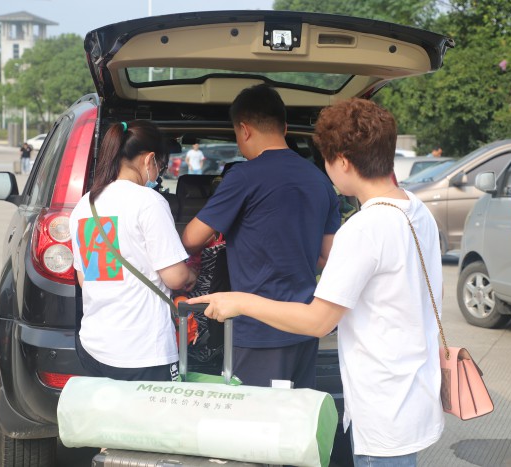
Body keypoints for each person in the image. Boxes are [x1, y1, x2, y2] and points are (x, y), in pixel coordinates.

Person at [189, 98, 444, 466]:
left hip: (383, 405)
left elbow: (319, 321)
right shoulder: (415, 209)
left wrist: (239, 301)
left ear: (342, 161)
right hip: (414, 389)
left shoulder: (364, 229)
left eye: (326, 159)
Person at [181, 83, 341, 389]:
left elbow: (191, 239)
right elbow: (327, 257)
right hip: (306, 324)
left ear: (244, 130)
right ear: (284, 127)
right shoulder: (321, 181)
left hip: (256, 331)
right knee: (298, 413)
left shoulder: (243, 177)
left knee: (257, 416)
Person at [68, 120, 196, 382]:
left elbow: (84, 278)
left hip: (94, 346)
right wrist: (191, 274)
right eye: (160, 166)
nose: (158, 173)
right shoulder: (148, 201)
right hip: (142, 350)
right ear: (149, 159)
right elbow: (175, 277)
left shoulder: (85, 205)